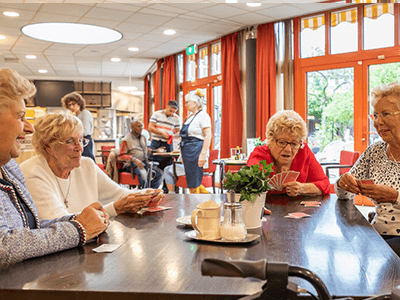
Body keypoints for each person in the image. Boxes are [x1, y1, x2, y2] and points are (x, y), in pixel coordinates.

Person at [0, 68, 108, 268]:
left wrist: (78, 219)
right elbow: (4, 246)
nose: (29, 127)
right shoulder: (28, 169)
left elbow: (31, 227)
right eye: (20, 116)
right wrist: (78, 228)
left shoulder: (10, 169)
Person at [20, 113, 164, 220]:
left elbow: (119, 194)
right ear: (48, 147)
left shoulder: (86, 165)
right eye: (70, 141)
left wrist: (147, 195)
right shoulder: (31, 172)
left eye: (81, 141)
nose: (80, 149)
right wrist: (116, 208)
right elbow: (59, 223)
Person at [335, 82, 400, 256]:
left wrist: (395, 197)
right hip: (377, 234)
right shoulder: (375, 150)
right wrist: (342, 183)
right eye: (376, 115)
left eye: (385, 114)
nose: (378, 122)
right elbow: (344, 195)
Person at [247, 110, 330, 197]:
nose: (288, 149)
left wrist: (302, 188)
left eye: (294, 143)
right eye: (282, 142)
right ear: (270, 140)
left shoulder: (303, 151)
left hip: (298, 209)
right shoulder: (260, 155)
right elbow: (248, 188)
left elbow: (325, 185)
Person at [180, 90, 212, 194]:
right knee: (191, 181)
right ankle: (206, 200)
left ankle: (199, 203)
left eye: (187, 102)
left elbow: (208, 135)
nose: (185, 105)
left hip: (196, 151)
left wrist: (203, 155)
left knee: (194, 181)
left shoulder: (203, 116)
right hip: (187, 151)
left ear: (194, 103)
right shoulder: (189, 117)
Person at [118, 119, 163, 190]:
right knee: (143, 174)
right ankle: (144, 192)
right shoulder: (126, 140)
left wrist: (155, 150)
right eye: (139, 126)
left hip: (144, 162)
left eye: (142, 126)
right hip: (132, 164)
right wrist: (134, 160)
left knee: (160, 174)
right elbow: (121, 156)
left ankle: (149, 191)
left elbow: (144, 150)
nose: (141, 128)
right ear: (132, 127)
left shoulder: (142, 137)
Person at [148, 100, 181, 193]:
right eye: (170, 111)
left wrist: (172, 134)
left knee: (168, 167)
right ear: (166, 107)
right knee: (154, 165)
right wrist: (162, 133)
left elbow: (177, 130)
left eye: (174, 112)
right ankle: (152, 189)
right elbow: (150, 127)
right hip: (156, 143)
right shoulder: (157, 114)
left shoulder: (176, 118)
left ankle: (166, 191)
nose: (172, 113)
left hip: (168, 144)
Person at [61, 92, 95, 161]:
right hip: (78, 141)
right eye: (69, 105)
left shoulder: (85, 113)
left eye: (73, 104)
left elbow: (85, 132)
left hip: (85, 141)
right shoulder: (74, 116)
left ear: (79, 103)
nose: (71, 107)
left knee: (87, 162)